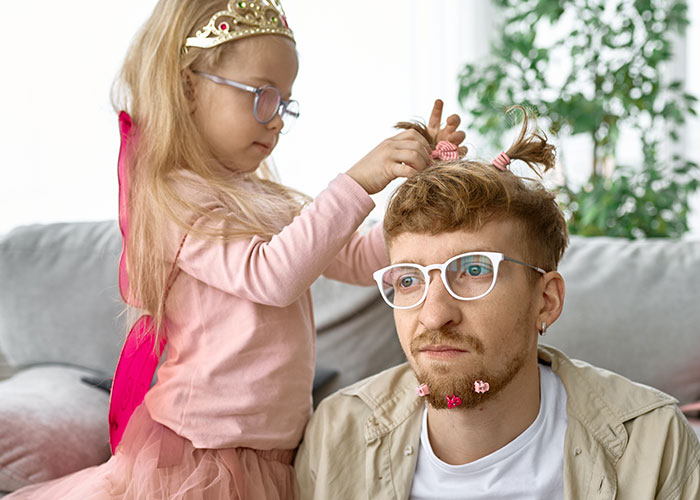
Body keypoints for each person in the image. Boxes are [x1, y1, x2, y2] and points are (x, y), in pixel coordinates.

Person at [4, 1, 466, 499]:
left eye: (285, 103)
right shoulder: (174, 199)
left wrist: (426, 199)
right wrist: (357, 182)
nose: (278, 121)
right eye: (263, 96)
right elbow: (272, 276)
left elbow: (356, 259)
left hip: (276, 450)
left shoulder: (268, 199)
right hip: (202, 452)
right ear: (188, 87)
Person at [294, 108, 700, 499]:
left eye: (473, 271)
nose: (434, 315)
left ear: (546, 301)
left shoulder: (653, 443)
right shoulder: (335, 434)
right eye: (408, 280)